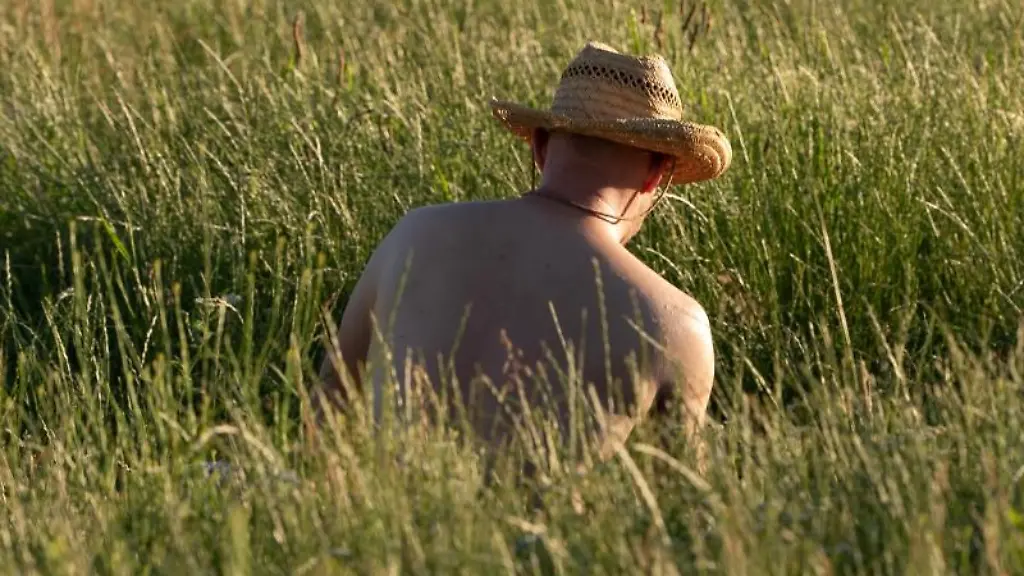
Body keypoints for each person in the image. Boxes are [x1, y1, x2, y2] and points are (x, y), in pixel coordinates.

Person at [317, 41, 732, 466]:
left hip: (389, 525)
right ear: (656, 175)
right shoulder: (674, 324)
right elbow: (684, 507)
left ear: (539, 146)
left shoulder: (413, 234)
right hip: (533, 534)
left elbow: (325, 412)